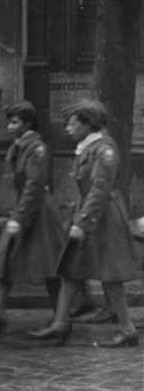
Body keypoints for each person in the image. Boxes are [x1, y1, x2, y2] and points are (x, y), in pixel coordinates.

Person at [28, 99, 140, 347]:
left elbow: (100, 188)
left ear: (88, 125)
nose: (67, 129)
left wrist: (83, 221)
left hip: (103, 216)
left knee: (110, 274)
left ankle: (127, 329)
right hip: (90, 212)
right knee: (72, 268)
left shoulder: (104, 149)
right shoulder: (88, 147)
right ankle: (60, 322)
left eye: (72, 124)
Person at [0, 102, 63, 330]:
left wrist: (18, 217)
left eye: (15, 122)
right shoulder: (20, 146)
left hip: (39, 211)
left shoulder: (36, 148)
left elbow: (34, 186)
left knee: (49, 264)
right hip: (25, 208)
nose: (10, 127)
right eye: (9, 122)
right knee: (3, 259)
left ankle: (61, 316)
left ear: (28, 123)